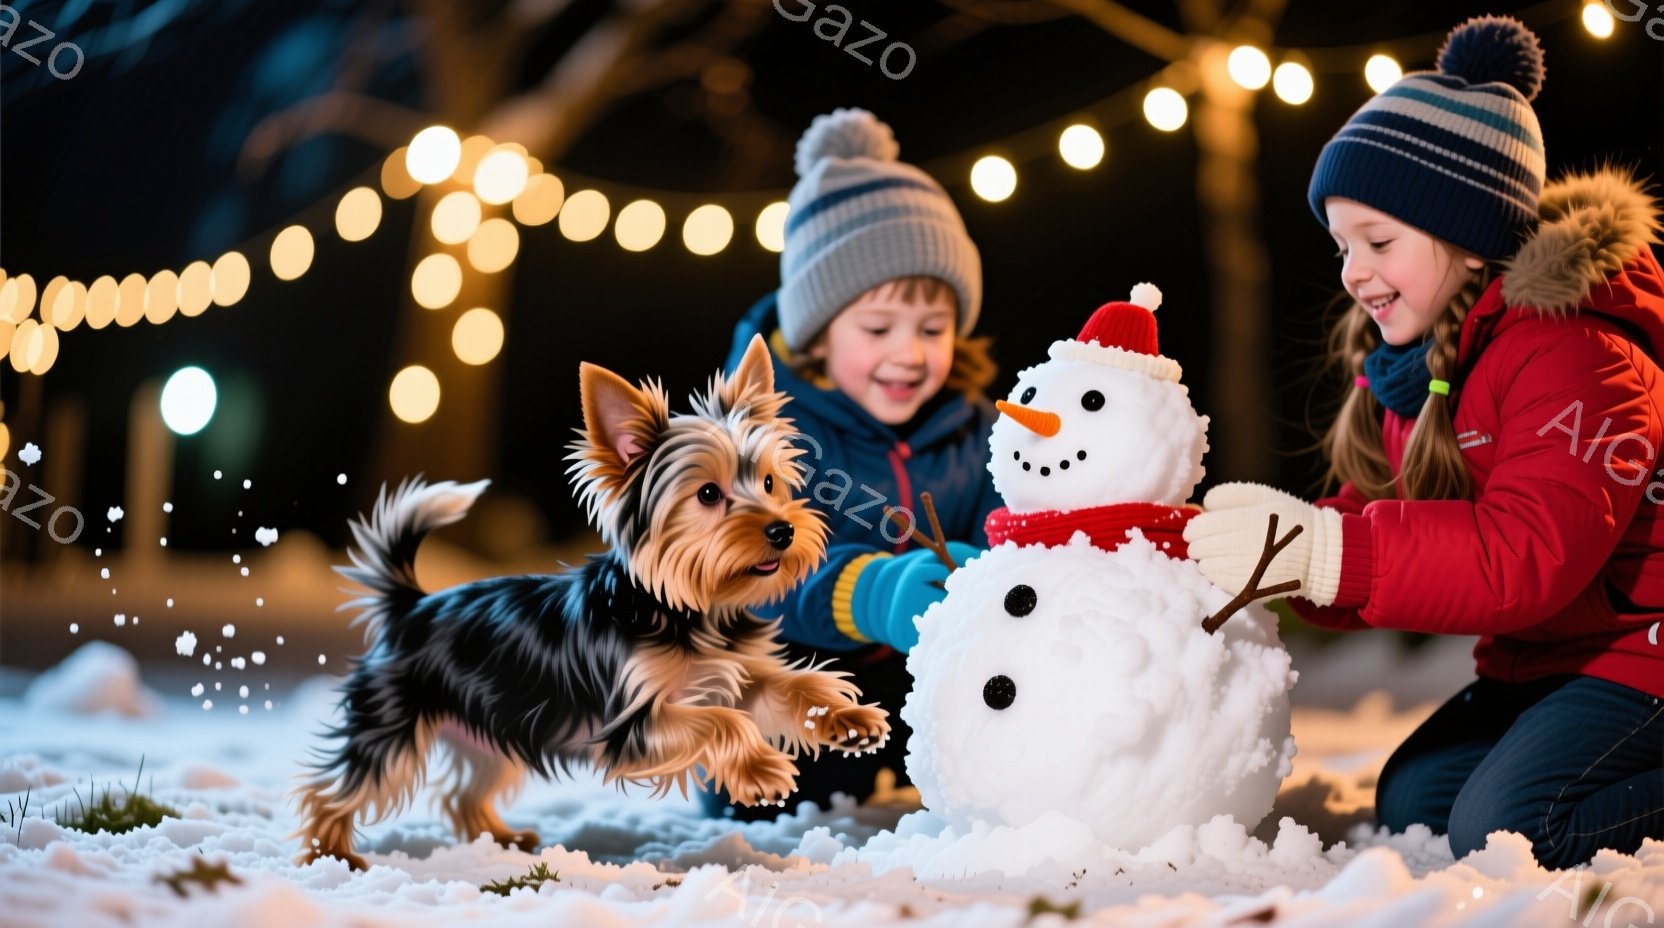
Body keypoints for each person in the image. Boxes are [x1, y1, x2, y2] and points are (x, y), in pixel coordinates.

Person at [1184, 15, 1664, 868]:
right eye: (1341, 245)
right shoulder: (1421, 370)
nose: (1352, 271)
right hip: (1543, 656)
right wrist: (1281, 556)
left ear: (1471, 237)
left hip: (1639, 653)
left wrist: (1332, 552)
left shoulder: (1578, 354)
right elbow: (1383, 518)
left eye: (1379, 241)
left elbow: (1524, 555)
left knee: (1514, 828)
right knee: (1416, 799)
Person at [702, 107, 1003, 820]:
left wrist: (995, 574)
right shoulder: (768, 432)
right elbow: (747, 577)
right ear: (815, 333)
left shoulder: (974, 428)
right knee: (785, 802)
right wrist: (868, 592)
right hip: (789, 681)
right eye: (877, 328)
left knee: (986, 764)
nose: (910, 351)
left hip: (914, 686)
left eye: (934, 328)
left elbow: (1007, 521)